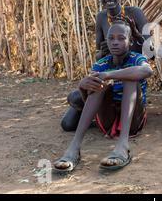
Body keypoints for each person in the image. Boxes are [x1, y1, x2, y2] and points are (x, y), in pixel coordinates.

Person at [53, 21, 153, 173]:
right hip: (108, 118)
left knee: (130, 78)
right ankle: (74, 148)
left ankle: (123, 146)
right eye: (111, 38)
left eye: (121, 38)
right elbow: (90, 101)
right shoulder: (100, 64)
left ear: (130, 41)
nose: (115, 42)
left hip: (133, 119)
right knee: (98, 84)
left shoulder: (136, 58)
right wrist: (82, 86)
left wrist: (109, 75)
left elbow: (147, 71)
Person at [61, 0, 150, 132]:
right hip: (108, 77)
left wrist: (135, 35)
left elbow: (152, 52)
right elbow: (98, 56)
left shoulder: (135, 13)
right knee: (69, 118)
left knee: (125, 89)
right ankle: (100, 114)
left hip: (131, 73)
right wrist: (104, 51)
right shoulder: (101, 17)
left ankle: (106, 114)